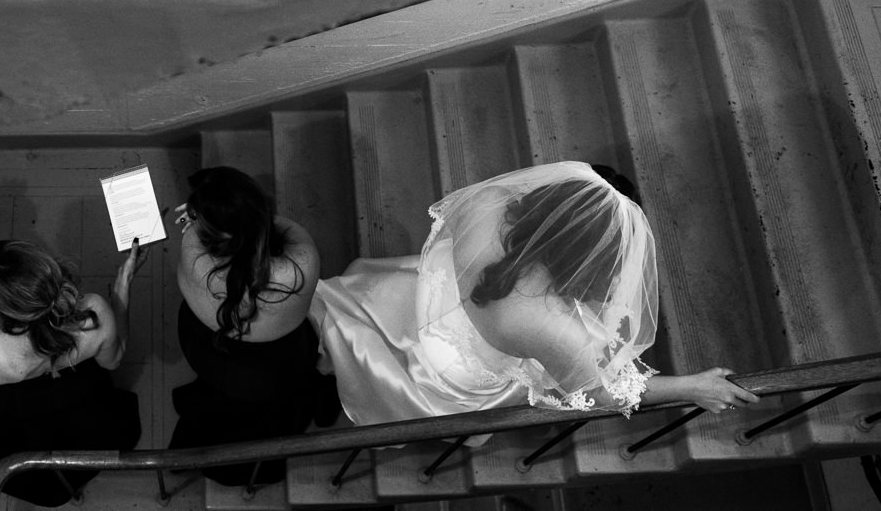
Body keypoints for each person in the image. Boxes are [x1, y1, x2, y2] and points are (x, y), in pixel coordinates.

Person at [311, 161, 757, 434]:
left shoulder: (488, 201)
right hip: (442, 371)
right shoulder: (550, 327)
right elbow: (606, 395)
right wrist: (691, 387)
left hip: (399, 300)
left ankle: (326, 354)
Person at [169, 167, 338, 486]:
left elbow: (201, 240)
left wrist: (196, 223)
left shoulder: (195, 260)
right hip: (277, 364)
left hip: (213, 352)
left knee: (215, 410)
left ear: (214, 239)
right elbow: (274, 225)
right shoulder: (302, 260)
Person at [0, 237, 146, 506]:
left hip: (26, 424)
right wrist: (122, 284)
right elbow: (113, 360)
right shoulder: (93, 311)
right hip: (87, 413)